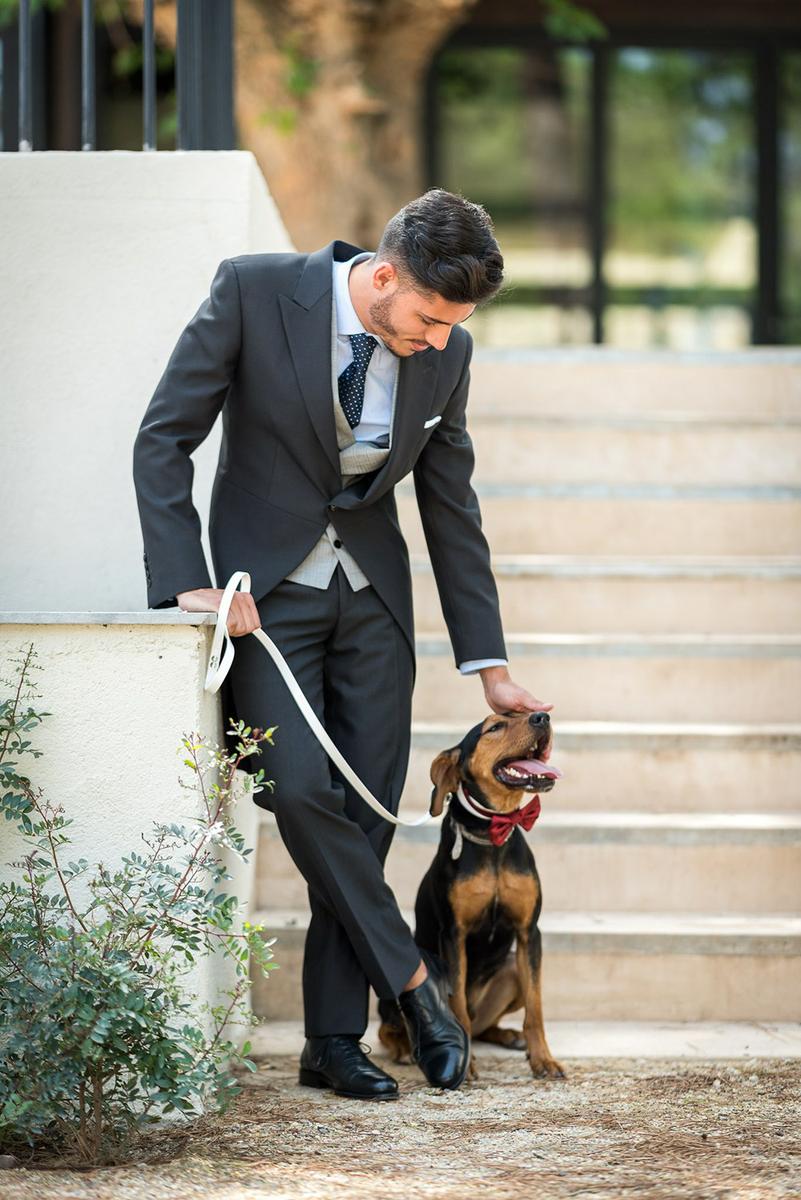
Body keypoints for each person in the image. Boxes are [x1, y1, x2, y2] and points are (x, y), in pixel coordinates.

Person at [133, 188, 551, 1100]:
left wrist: (486, 662)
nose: (437, 339)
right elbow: (166, 436)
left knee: (363, 817)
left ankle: (332, 1041)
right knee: (299, 790)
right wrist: (184, 578)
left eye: (454, 325)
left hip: (373, 607)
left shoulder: (449, 351)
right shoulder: (252, 291)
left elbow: (451, 504)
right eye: (428, 318)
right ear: (383, 276)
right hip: (263, 601)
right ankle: (413, 986)